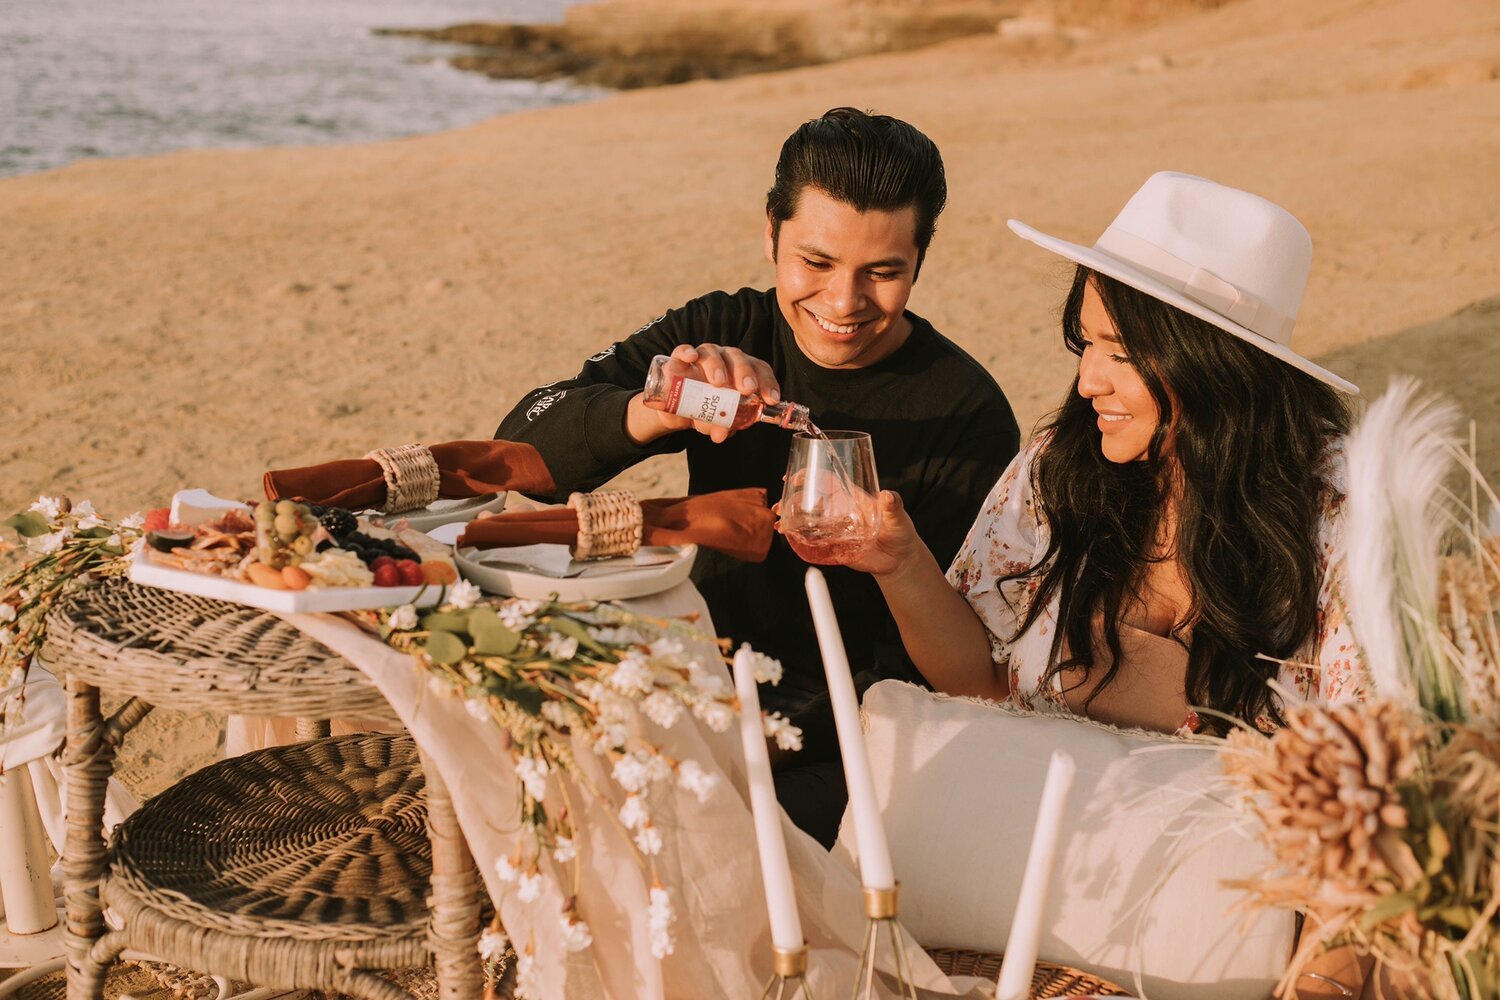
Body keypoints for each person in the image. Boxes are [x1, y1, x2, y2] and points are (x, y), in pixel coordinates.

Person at [833, 171, 1375, 997]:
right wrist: (901, 562)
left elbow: (1373, 809)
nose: (1087, 383)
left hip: (1232, 954)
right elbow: (977, 681)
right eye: (1085, 344)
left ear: (1216, 366)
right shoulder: (1061, 466)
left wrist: (1320, 985)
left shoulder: (1338, 524)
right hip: (1022, 925)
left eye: (1120, 355)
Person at [495, 107, 1020, 847]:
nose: (843, 304)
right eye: (816, 262)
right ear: (770, 233)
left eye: (883, 272)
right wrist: (658, 407)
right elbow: (522, 449)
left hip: (864, 741)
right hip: (705, 691)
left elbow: (966, 671)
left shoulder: (967, 412)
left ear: (920, 263)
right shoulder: (722, 330)